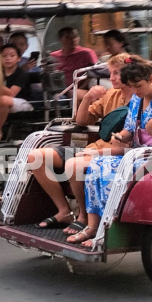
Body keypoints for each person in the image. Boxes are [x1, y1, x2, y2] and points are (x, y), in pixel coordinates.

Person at [67, 58, 152, 247]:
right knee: (96, 166)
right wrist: (120, 136)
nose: (136, 91)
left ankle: (108, 228)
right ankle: (93, 226)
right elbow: (129, 130)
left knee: (112, 173)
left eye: (139, 86)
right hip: (140, 153)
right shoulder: (137, 99)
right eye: (132, 87)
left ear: (151, 78)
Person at [27, 53, 133, 230]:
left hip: (115, 153)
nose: (112, 78)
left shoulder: (142, 99)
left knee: (74, 165)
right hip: (94, 147)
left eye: (116, 73)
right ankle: (64, 211)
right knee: (36, 157)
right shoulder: (111, 95)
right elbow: (82, 121)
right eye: (111, 73)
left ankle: (83, 215)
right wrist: (88, 98)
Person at [50, 27, 98, 97]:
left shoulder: (87, 53)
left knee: (71, 94)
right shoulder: (53, 56)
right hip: (59, 90)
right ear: (60, 39)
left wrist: (78, 89)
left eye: (75, 36)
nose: (73, 40)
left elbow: (94, 74)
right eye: (68, 38)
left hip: (82, 89)